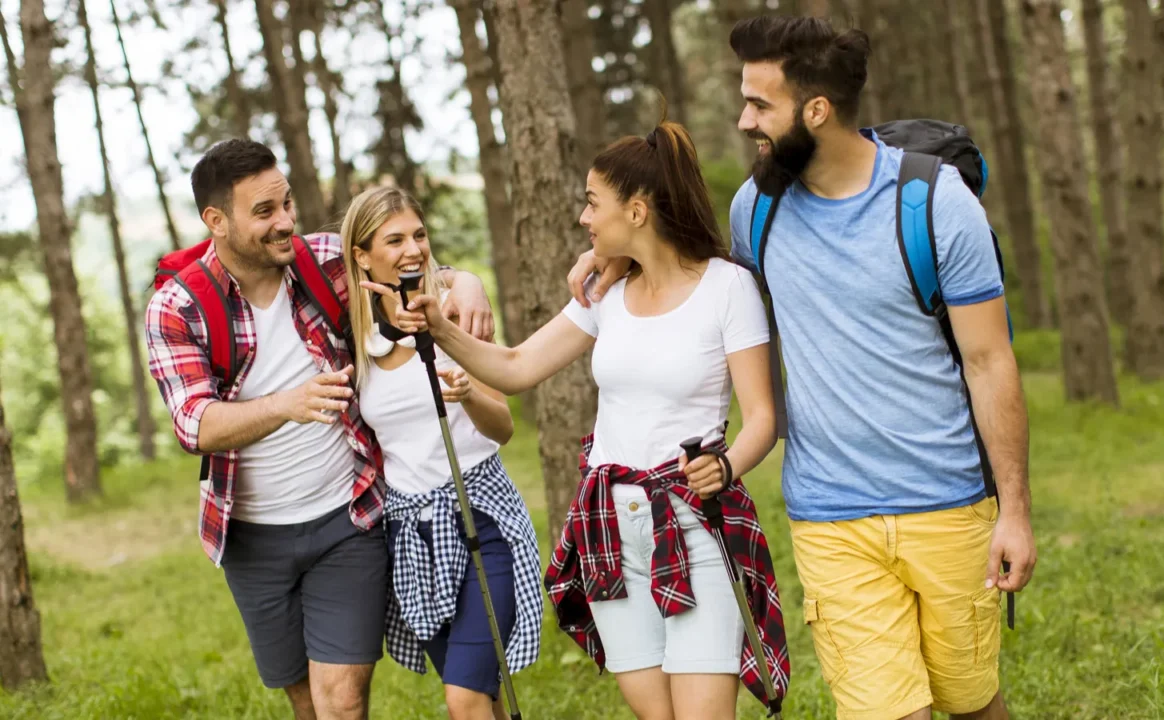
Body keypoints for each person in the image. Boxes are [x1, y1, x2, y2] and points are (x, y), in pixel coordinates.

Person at [567, 16, 1038, 720]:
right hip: (830, 516)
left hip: (946, 503)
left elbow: (989, 360)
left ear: (816, 111)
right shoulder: (757, 209)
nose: (743, 120)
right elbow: (701, 281)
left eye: (760, 105)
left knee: (969, 701)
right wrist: (617, 253)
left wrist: (1016, 512)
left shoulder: (936, 204)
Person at [397, 120, 789, 720]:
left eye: (591, 202)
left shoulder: (727, 288)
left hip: (691, 523)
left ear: (636, 211)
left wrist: (728, 464)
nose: (583, 217)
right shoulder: (606, 293)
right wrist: (440, 328)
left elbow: (761, 416)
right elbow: (518, 365)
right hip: (609, 528)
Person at [145, 138, 494, 720]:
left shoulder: (324, 258)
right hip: (251, 537)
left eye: (286, 203)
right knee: (305, 702)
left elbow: (408, 264)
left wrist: (466, 281)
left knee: (342, 700)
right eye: (264, 212)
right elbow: (194, 425)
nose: (286, 222)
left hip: (347, 517)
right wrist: (288, 403)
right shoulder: (177, 308)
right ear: (216, 221)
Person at [341, 185, 543, 720]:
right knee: (482, 694)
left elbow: (502, 428)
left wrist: (468, 391)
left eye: (419, 235)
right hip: (412, 537)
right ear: (362, 256)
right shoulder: (357, 338)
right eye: (395, 239)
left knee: (465, 697)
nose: (414, 249)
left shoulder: (455, 311)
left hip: (483, 517)